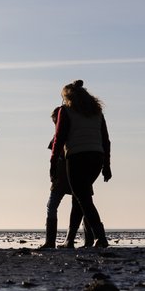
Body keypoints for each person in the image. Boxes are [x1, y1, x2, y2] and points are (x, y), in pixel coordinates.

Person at [52, 80, 111, 250]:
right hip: (97, 157)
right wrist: (106, 165)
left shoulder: (65, 111)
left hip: (77, 157)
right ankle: (70, 239)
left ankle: (100, 237)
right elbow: (106, 140)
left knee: (82, 198)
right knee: (79, 198)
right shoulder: (97, 112)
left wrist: (53, 161)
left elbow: (59, 138)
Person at [43, 106, 92, 249]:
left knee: (55, 206)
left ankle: (53, 241)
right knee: (84, 206)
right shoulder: (76, 134)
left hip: (64, 176)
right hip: (73, 175)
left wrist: (53, 173)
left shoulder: (64, 136)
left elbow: (56, 155)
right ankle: (87, 240)